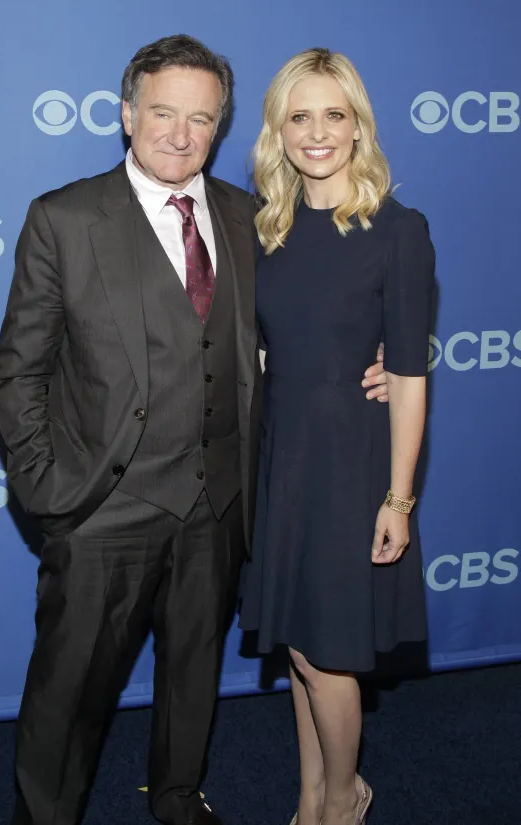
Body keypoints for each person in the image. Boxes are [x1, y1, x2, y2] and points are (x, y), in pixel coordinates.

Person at [0, 35, 388, 825]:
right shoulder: (65, 218)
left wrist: (377, 359)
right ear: (127, 113)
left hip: (218, 501)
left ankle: (177, 795)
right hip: (102, 507)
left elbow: (310, 319)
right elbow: (17, 376)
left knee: (194, 670)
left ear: (221, 125)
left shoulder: (252, 219)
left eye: (201, 119)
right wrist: (53, 491)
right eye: (163, 113)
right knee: (69, 689)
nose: (180, 134)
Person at [240, 48, 435, 825]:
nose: (317, 133)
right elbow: (261, 347)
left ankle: (345, 796)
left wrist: (399, 498)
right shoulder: (265, 228)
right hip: (281, 455)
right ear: (278, 131)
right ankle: (311, 795)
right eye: (300, 116)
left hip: (350, 465)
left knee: (327, 653)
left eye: (333, 114)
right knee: (299, 645)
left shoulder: (399, 230)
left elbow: (410, 376)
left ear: (358, 126)